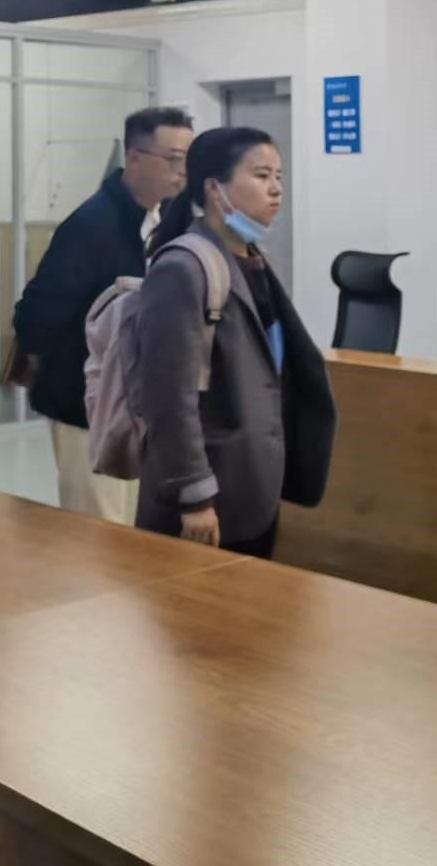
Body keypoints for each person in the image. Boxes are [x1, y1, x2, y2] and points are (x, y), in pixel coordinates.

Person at [136, 127, 335, 559]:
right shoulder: (183, 268)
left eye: (279, 177)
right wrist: (194, 496)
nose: (276, 189)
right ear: (214, 188)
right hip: (205, 497)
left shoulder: (254, 261)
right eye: (261, 176)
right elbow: (168, 396)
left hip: (253, 488)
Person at [14, 106, 194, 523]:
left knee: (137, 531)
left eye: (188, 158)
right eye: (173, 159)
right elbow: (35, 317)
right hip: (89, 408)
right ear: (134, 158)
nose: (182, 171)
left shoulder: (166, 220)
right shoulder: (91, 226)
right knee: (97, 533)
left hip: (141, 404)